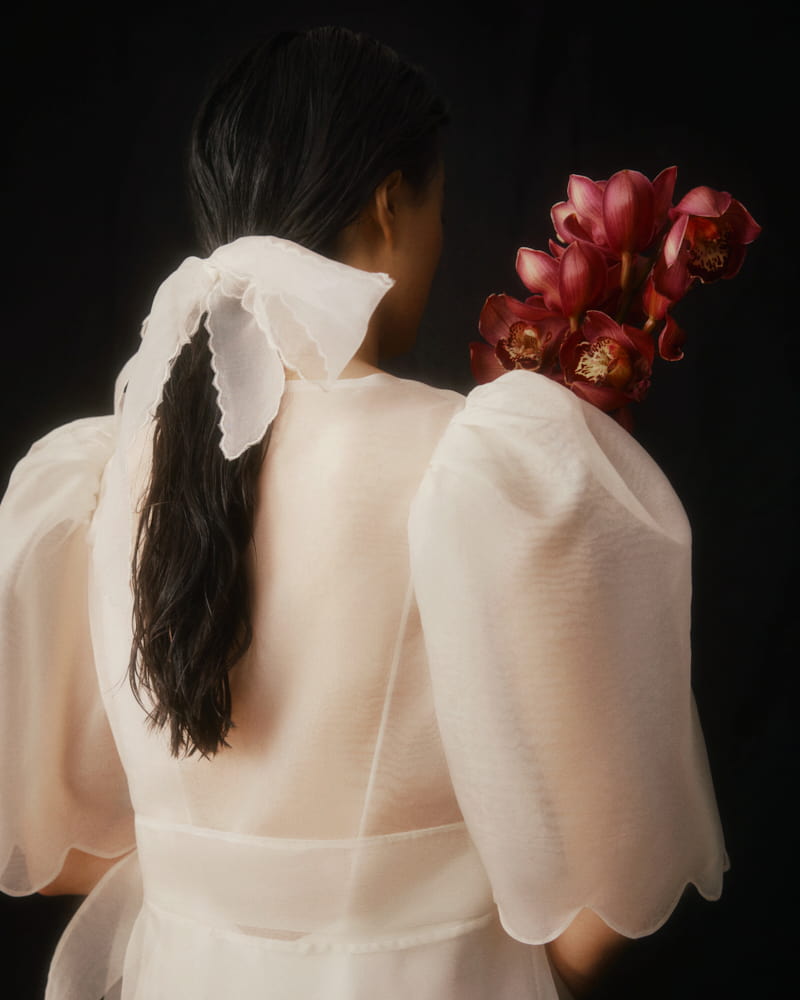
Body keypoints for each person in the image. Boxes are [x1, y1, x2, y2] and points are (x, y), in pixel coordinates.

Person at [0, 25, 729, 1000]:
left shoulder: (93, 480)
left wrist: (223, 893)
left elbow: (50, 851)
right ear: (390, 203)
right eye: (432, 207)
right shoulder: (467, 465)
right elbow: (607, 897)